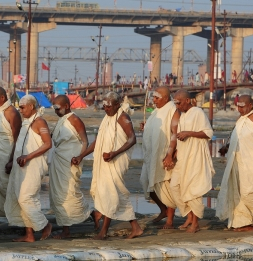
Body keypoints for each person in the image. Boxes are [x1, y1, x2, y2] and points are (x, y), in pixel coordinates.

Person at [72, 92, 142, 240]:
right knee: (114, 193)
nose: (106, 109)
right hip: (105, 162)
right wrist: (81, 156)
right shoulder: (106, 118)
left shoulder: (123, 117)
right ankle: (135, 227)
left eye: (109, 106)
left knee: (111, 193)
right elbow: (98, 142)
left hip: (116, 162)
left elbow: (132, 139)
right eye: (104, 106)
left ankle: (103, 231)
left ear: (117, 105)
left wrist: (114, 153)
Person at [217, 95, 253, 231]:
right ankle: (246, 222)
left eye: (242, 106)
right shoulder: (240, 120)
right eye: (238, 106)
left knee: (249, 192)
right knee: (238, 191)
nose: (239, 109)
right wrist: (226, 148)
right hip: (238, 162)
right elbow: (238, 139)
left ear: (250, 105)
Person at [4, 95, 53, 242]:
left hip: (33, 166)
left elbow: (47, 144)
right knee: (19, 198)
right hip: (21, 166)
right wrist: (13, 160)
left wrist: (28, 157)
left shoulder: (40, 122)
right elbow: (20, 144)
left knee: (26, 198)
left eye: (23, 107)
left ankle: (45, 225)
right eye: (19, 107)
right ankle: (29, 235)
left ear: (31, 106)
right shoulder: (26, 123)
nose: (20, 110)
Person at [167, 89, 214, 233]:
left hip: (195, 157)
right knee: (175, 186)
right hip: (183, 157)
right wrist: (173, 153)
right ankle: (189, 215)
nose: (177, 106)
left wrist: (189, 133)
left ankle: (195, 223)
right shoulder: (183, 115)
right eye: (175, 103)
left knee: (193, 190)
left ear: (187, 100)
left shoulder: (198, 112)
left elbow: (208, 133)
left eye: (179, 103)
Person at [49, 95, 93, 239]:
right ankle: (92, 214)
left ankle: (67, 230)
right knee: (59, 194)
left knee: (69, 192)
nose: (55, 111)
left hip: (70, 161)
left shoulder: (74, 119)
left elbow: (85, 141)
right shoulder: (62, 121)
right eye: (54, 108)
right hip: (59, 159)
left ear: (66, 106)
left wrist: (80, 157)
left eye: (57, 108)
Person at [140, 87, 179, 229]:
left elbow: (175, 133)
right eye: (153, 97)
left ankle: (170, 220)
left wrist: (170, 154)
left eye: (157, 98)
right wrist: (147, 127)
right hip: (151, 155)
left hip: (164, 154)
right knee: (146, 183)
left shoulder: (173, 110)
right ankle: (163, 209)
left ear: (166, 98)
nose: (154, 100)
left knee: (166, 186)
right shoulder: (156, 111)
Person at [0, 87, 21, 217]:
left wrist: (12, 160)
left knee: (6, 186)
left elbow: (17, 138)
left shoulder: (12, 113)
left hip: (5, 156)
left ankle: (15, 215)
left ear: (2, 97)